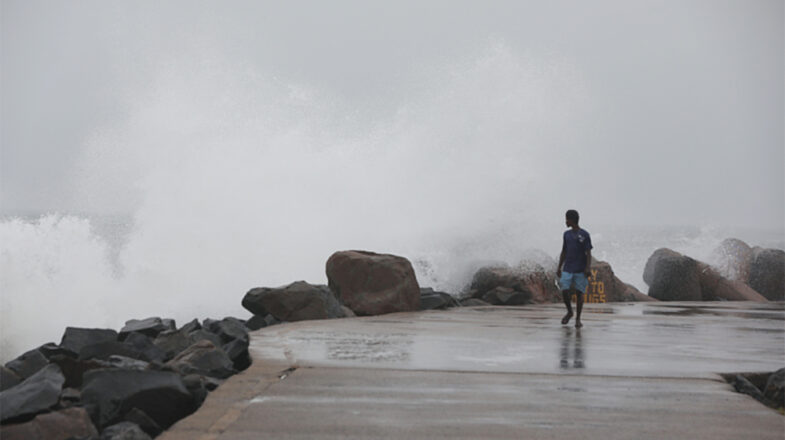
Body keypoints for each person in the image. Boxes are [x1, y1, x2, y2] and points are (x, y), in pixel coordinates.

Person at [556, 209, 592, 328]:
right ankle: (570, 312)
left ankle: (578, 318)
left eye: (567, 219)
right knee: (564, 289)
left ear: (572, 220)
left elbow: (588, 253)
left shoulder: (585, 235)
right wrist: (559, 266)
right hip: (568, 267)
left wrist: (588, 268)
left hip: (580, 269)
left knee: (579, 293)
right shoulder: (566, 234)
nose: (565, 221)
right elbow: (564, 251)